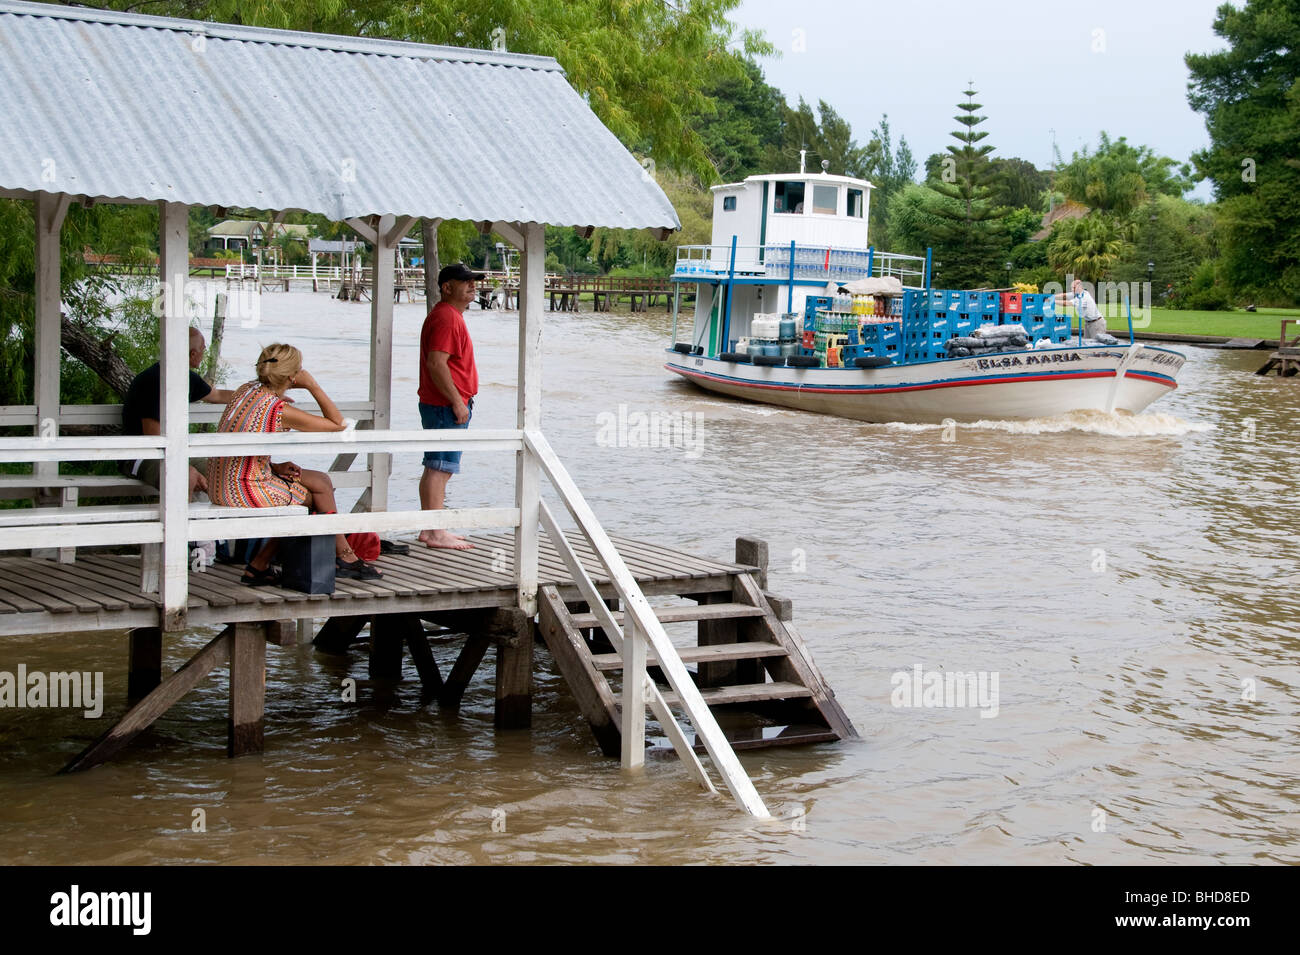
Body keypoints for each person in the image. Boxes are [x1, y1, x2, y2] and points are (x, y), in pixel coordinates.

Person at [207, 343, 381, 584]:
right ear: (292, 376)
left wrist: (275, 467)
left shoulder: (246, 390)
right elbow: (338, 424)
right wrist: (312, 385)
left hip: (222, 482)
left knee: (320, 481)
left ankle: (262, 565)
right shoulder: (277, 409)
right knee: (313, 500)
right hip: (241, 489)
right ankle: (343, 556)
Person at [121, 326, 234, 497]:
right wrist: (185, 465)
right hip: (141, 456)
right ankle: (188, 522)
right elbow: (154, 439)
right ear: (192, 355)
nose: (204, 354)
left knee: (222, 472)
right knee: (184, 476)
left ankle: (215, 521)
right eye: (203, 349)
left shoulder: (189, 378)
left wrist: (260, 395)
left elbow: (217, 395)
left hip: (175, 451)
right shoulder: (153, 381)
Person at [417, 262, 483, 550]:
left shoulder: (449, 315)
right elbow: (436, 363)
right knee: (439, 467)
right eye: (465, 281)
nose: (472, 286)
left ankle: (432, 527)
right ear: (447, 287)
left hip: (443, 403)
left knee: (439, 466)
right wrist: (457, 401)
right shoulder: (446, 317)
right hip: (445, 404)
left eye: (473, 281)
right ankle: (434, 531)